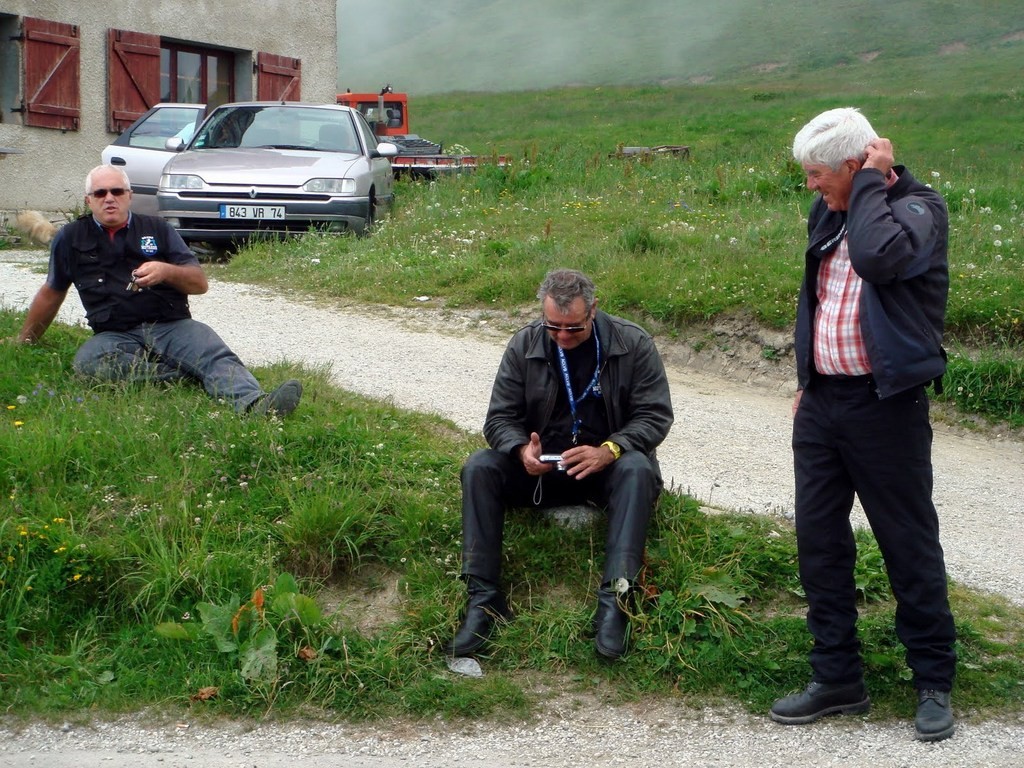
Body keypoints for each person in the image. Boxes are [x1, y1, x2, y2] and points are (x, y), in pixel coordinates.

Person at [769, 108, 956, 742]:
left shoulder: (919, 209)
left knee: (907, 544)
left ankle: (933, 681)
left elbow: (877, 261)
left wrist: (874, 184)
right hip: (823, 406)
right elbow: (815, 296)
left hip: (886, 408)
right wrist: (806, 382)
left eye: (820, 175)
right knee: (820, 546)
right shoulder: (831, 209)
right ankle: (837, 679)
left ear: (857, 165)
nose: (812, 187)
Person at [446, 268, 674, 660]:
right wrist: (520, 450)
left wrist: (612, 448)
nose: (564, 337)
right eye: (554, 327)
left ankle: (614, 601)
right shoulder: (524, 345)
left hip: (605, 470)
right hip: (542, 473)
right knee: (480, 466)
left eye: (575, 328)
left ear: (594, 310)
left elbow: (655, 416)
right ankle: (483, 602)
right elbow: (498, 419)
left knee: (637, 469)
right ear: (542, 314)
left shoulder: (632, 343)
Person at [11, 164, 301, 417]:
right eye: (100, 193)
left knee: (213, 353)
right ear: (89, 200)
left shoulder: (158, 228)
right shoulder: (70, 237)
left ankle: (256, 405)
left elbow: (199, 283)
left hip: (171, 325)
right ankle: (184, 376)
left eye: (117, 191)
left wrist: (166, 271)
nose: (109, 198)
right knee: (89, 362)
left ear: (129, 196)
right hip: (115, 334)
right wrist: (25, 340)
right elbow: (52, 291)